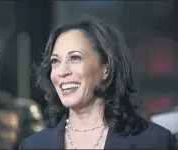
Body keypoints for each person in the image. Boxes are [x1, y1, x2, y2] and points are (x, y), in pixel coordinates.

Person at [20, 20, 176, 149]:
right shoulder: (34, 145)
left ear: (106, 68)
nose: (62, 71)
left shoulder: (153, 141)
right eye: (55, 61)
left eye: (75, 58)